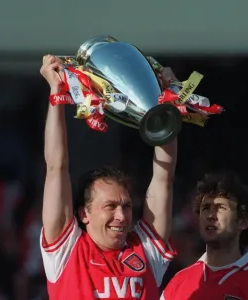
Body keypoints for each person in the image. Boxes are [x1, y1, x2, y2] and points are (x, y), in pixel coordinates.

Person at [39, 55, 178, 300]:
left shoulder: (145, 250)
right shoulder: (67, 250)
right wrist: (56, 91)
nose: (122, 216)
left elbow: (163, 177)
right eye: (110, 206)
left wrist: (166, 103)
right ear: (84, 214)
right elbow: (55, 168)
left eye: (125, 206)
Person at [161, 171, 248, 300]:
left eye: (221, 208)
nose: (210, 215)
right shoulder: (178, 282)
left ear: (243, 222)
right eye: (206, 208)